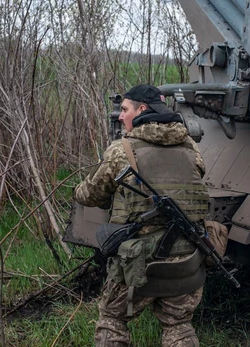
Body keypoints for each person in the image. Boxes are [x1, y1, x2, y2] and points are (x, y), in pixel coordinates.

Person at [74, 84, 209, 347]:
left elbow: (91, 196)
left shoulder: (120, 150)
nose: (120, 116)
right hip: (187, 260)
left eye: (125, 110)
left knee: (112, 320)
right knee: (179, 327)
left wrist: (78, 189)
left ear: (142, 109)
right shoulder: (191, 147)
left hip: (136, 264)